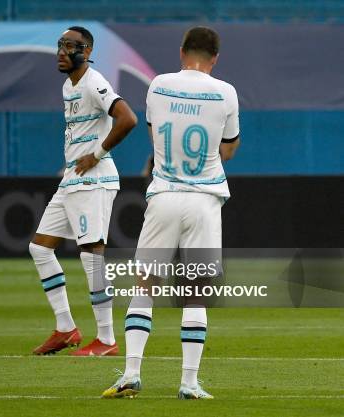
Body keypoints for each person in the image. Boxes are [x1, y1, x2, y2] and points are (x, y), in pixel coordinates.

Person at [102, 26, 240, 399]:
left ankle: (131, 373)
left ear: (181, 51)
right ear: (215, 58)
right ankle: (189, 383)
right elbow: (228, 151)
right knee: (195, 292)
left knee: (145, 285)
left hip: (163, 194)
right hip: (204, 200)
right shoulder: (226, 92)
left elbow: (156, 136)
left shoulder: (158, 85)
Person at [29, 26, 137, 356]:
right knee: (40, 248)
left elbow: (127, 118)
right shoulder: (68, 85)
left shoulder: (94, 81)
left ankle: (106, 339)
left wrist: (98, 153)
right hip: (72, 179)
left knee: (92, 255)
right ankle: (66, 328)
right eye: (59, 46)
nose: (62, 52)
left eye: (70, 46)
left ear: (86, 51)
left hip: (94, 179)